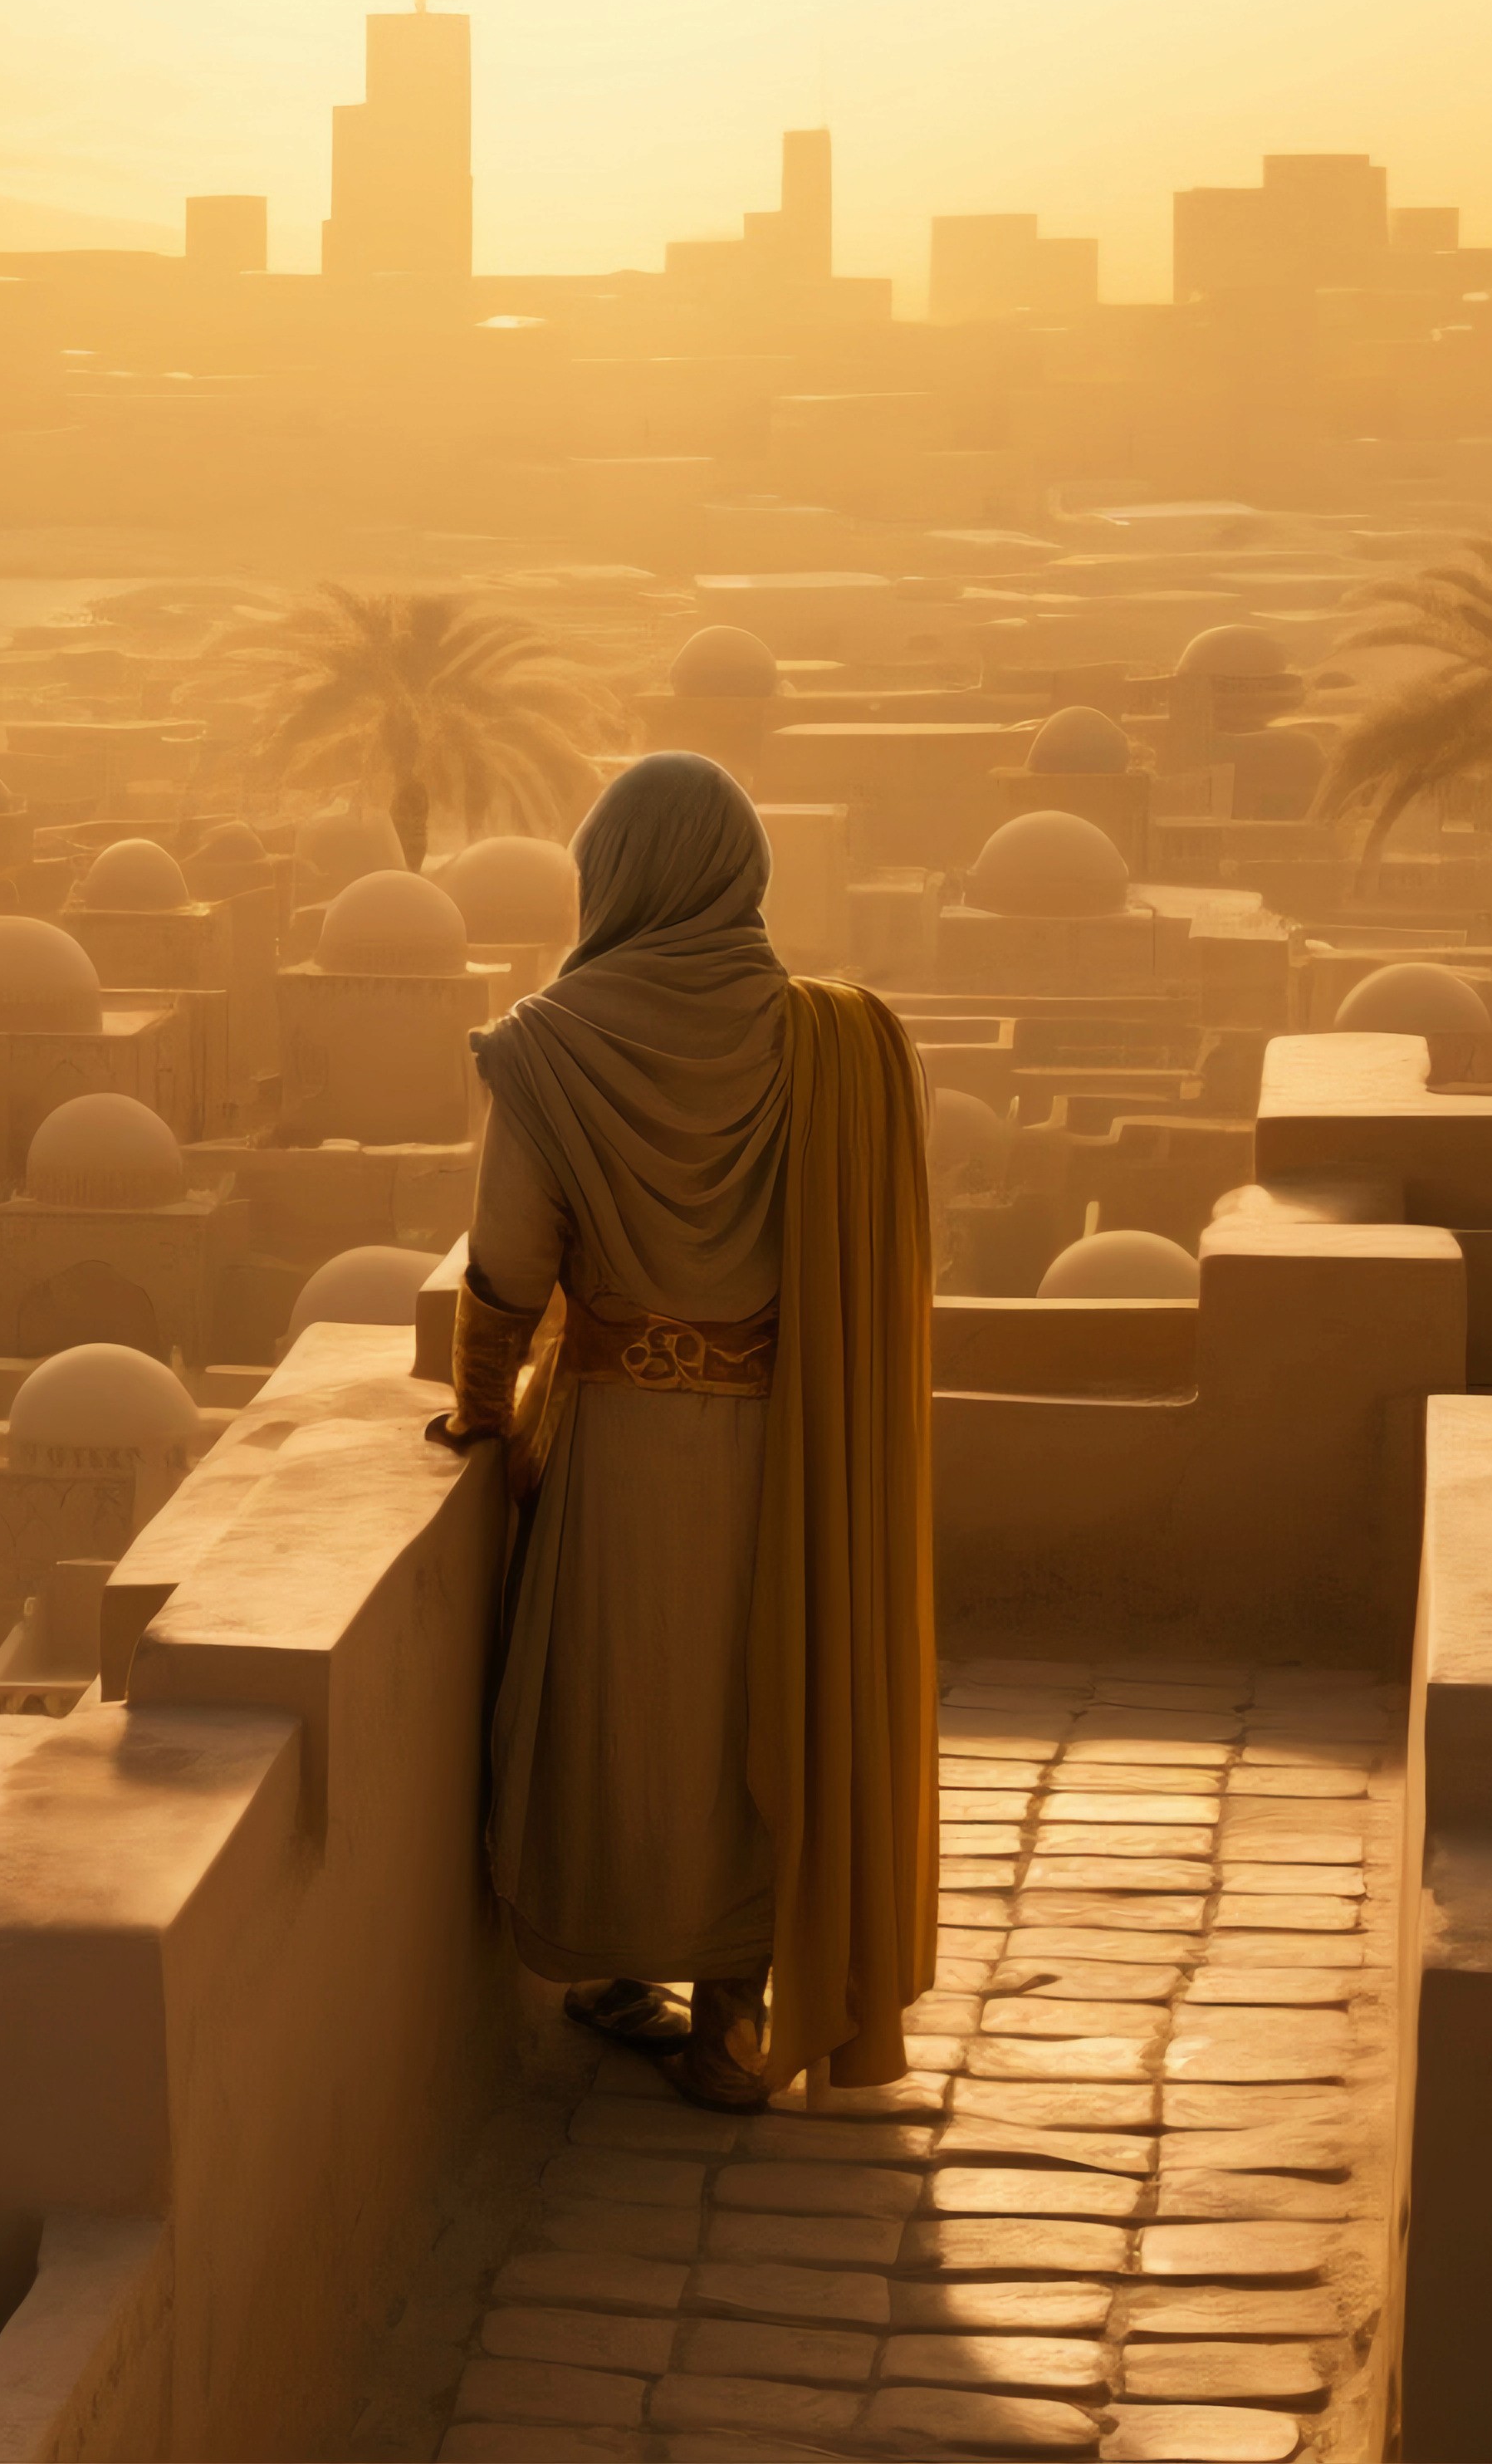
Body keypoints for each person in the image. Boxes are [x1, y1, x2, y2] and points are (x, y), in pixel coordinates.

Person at [427, 752, 938, 2112]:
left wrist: (481, 1413)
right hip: (792, 1457)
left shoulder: (549, 1047)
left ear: (610, 873)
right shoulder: (835, 1044)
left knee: (630, 1714)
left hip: (623, 1452)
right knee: (762, 1716)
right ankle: (734, 2020)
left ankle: (615, 1961)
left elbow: (507, 1270)